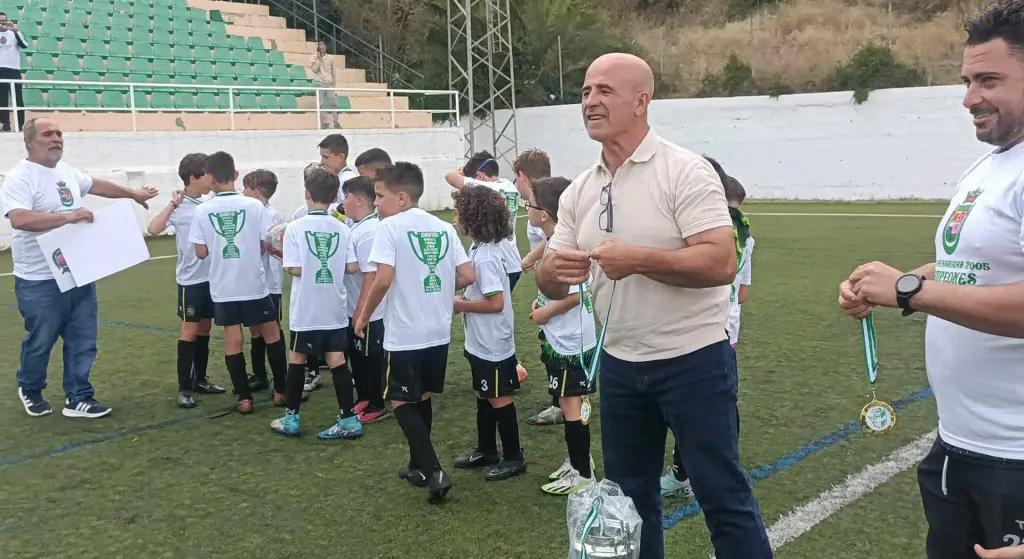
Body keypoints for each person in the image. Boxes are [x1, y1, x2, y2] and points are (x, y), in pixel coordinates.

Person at [535, 54, 771, 559]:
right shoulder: (581, 189)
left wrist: (639, 259)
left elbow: (720, 263)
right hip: (620, 365)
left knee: (722, 495)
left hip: (694, 361)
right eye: (584, 91)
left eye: (604, 90)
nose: (591, 101)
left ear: (641, 101)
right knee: (629, 501)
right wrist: (551, 274)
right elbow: (551, 277)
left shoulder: (685, 171)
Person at [839, 3, 1024, 557]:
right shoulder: (991, 165)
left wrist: (910, 291)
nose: (970, 97)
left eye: (989, 80)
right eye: (968, 80)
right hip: (961, 443)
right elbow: (971, 263)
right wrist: (892, 282)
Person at [2, 118, 158, 418]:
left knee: (83, 338)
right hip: (39, 279)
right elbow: (19, 219)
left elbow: (95, 184)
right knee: (41, 339)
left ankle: (79, 398)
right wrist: (68, 217)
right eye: (48, 134)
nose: (56, 138)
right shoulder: (20, 177)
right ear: (29, 141)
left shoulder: (66, 171)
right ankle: (30, 388)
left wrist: (132, 193)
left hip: (78, 272)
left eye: (59, 134)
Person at [354, 162, 474, 504]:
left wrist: (363, 315)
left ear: (402, 198)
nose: (376, 203)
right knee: (421, 396)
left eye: (379, 196)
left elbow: (384, 278)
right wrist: (432, 290)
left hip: (404, 331)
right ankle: (418, 465)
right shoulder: (443, 228)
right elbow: (466, 275)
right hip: (437, 330)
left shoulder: (389, 228)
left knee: (399, 399)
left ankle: (434, 469)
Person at [661, 160, 754, 498]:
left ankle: (684, 475)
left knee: (688, 408)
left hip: (699, 331)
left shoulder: (701, 235)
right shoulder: (745, 234)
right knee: (723, 403)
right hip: (727, 331)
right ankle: (715, 467)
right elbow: (742, 292)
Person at [189, 152, 286, 413]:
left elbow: (200, 252)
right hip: (254, 283)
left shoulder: (202, 210)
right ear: (235, 175)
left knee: (233, 340)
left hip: (223, 287)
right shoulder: (254, 206)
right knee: (272, 333)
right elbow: (267, 242)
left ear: (209, 178)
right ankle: (281, 391)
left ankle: (244, 398)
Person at [270, 165, 361, 439]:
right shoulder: (342, 228)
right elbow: (353, 267)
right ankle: (348, 418)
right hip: (333, 305)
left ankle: (292, 418)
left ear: (307, 193)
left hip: (306, 307)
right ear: (334, 197)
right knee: (337, 359)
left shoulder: (295, 228)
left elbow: (294, 269)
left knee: (297, 358)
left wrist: (284, 256)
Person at [526, 176, 598, 495]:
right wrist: (542, 302)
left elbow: (579, 293)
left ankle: (582, 474)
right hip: (563, 337)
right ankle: (579, 461)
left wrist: (545, 312)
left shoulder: (567, 246)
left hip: (573, 342)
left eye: (530, 203)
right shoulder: (555, 240)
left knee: (571, 404)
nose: (526, 208)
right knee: (572, 402)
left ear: (544, 213)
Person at [452, 185, 526, 482]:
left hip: (492, 340)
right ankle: (487, 449)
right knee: (484, 394)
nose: (457, 218)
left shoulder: (485, 256)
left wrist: (460, 304)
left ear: (472, 218)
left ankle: (513, 456)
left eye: (459, 213)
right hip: (481, 340)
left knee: (498, 397)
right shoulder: (482, 248)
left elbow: (496, 303)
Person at [146, 153, 226, 409]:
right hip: (190, 281)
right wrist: (172, 205)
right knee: (190, 330)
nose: (212, 177)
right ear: (194, 177)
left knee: (205, 328)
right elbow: (154, 229)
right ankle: (184, 387)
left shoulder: (210, 204)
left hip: (212, 279)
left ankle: (200, 379)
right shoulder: (180, 207)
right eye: (208, 173)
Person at [341, 176, 389, 423]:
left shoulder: (370, 231)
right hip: (356, 306)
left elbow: (372, 274)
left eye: (346, 196)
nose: (343, 202)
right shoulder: (359, 227)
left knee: (371, 355)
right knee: (358, 354)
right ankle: (365, 396)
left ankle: (377, 403)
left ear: (359, 200)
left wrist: (363, 311)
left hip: (372, 310)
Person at [444, 151, 524, 291]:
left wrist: (461, 172)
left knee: (490, 301)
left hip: (495, 259)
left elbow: (450, 177)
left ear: (480, 176)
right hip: (512, 259)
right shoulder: (509, 186)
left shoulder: (488, 188)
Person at [241, 170, 285, 393]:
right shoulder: (260, 212)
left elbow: (264, 245)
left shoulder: (266, 214)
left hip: (268, 282)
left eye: (246, 188)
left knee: (272, 328)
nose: (243, 192)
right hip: (258, 282)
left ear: (256, 192)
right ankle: (260, 375)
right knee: (256, 330)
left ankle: (280, 379)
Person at [293, 134, 358, 220]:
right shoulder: (336, 178)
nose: (322, 161)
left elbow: (346, 212)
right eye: (321, 157)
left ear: (341, 157)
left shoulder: (347, 180)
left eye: (326, 157)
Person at [514, 149, 552, 273]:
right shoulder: (552, 197)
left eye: (516, 178)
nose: (516, 185)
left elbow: (557, 236)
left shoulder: (539, 206)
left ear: (521, 175)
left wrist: (530, 258)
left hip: (560, 281)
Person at [0, 11, 28, 132]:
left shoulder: (14, 33)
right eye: (0, 21)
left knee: (18, 98)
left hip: (13, 70)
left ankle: (20, 125)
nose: (2, 23)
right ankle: (5, 124)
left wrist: (16, 30)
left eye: (4, 21)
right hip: (0, 70)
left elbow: (25, 45)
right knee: (2, 99)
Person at [310, 41, 338, 130]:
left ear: (326, 47)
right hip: (319, 83)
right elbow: (314, 70)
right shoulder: (314, 57)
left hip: (329, 83)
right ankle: (324, 123)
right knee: (321, 104)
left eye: (323, 45)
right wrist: (319, 59)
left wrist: (334, 84)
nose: (322, 47)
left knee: (333, 103)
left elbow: (333, 71)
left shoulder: (330, 58)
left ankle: (335, 122)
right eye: (320, 45)